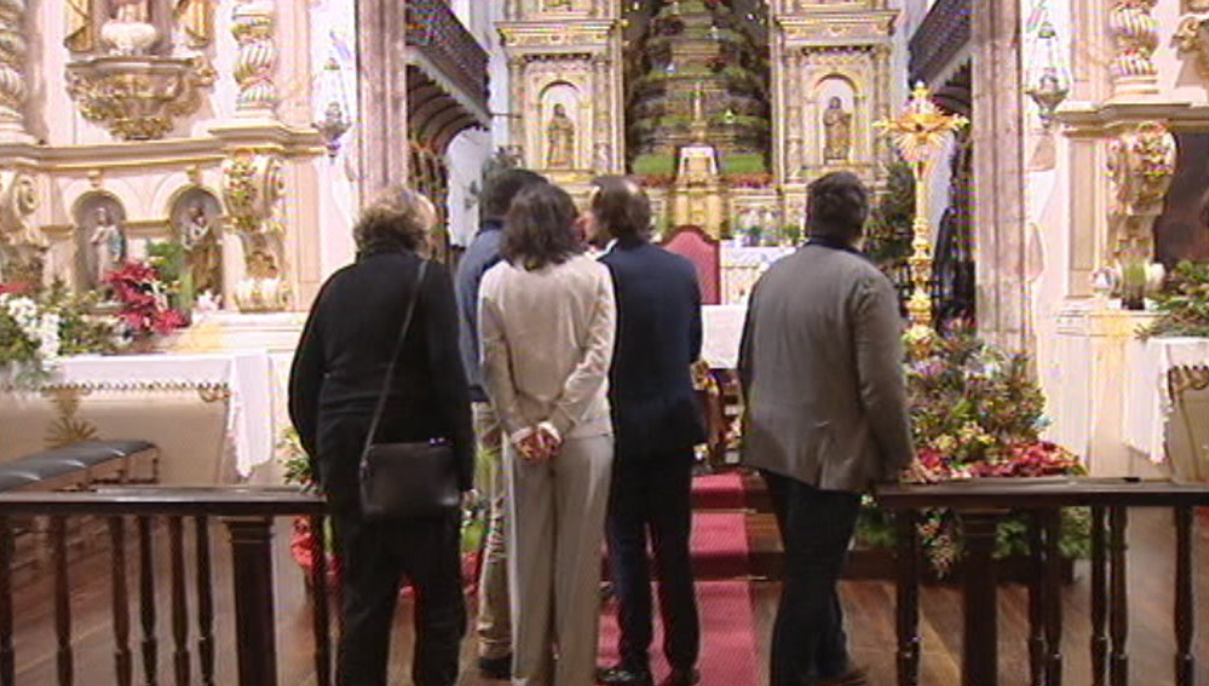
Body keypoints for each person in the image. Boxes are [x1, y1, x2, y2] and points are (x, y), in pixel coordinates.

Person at [288, 185, 475, 686]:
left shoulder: (337, 286)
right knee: (437, 600)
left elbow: (303, 382)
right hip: (418, 460)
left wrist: (322, 454)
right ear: (419, 232)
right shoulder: (428, 279)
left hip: (350, 456)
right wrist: (465, 463)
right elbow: (447, 375)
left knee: (364, 598)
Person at [738, 172, 914, 686]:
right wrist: (902, 456)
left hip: (774, 442)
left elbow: (747, 362)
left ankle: (832, 661)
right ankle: (788, 676)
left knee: (809, 557)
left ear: (808, 216)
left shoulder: (774, 275)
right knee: (811, 574)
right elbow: (881, 385)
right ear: (863, 221)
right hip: (829, 450)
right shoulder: (865, 283)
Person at [479, 183, 616, 686]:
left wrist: (518, 427)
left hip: (523, 441)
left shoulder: (495, 281)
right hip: (583, 433)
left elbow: (493, 365)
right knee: (580, 565)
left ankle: (528, 675)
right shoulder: (594, 275)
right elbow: (597, 359)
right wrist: (558, 424)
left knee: (526, 561)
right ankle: (575, 675)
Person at [589, 176, 705, 686]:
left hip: (621, 426)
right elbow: (692, 346)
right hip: (674, 423)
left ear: (608, 217)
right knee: (675, 546)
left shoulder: (602, 274)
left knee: (627, 546)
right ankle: (684, 658)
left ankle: (634, 658)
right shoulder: (681, 269)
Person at [454, 168, 548, 681]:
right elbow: (505, 343)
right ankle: (495, 638)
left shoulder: (480, 246)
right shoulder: (496, 256)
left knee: (506, 516)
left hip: (487, 397)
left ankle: (507, 629)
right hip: (498, 402)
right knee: (508, 520)